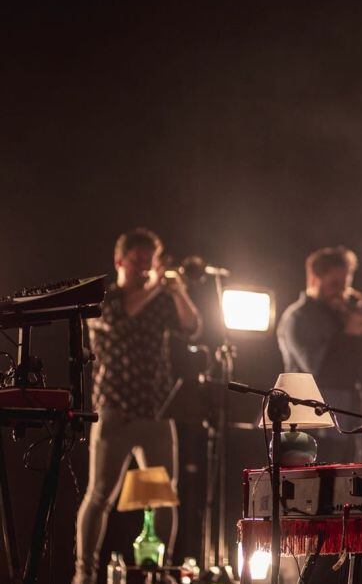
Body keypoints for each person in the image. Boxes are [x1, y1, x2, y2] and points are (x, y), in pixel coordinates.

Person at [74, 228, 200, 584]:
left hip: (156, 411)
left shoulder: (160, 297)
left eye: (150, 262)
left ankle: (159, 571)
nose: (146, 268)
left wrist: (178, 292)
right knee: (101, 494)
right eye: (139, 261)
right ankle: (84, 573)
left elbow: (193, 327)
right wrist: (158, 286)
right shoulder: (104, 298)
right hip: (115, 410)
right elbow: (122, 321)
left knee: (162, 495)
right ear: (119, 261)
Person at [277, 245, 362, 463]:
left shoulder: (340, 316)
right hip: (311, 427)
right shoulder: (298, 317)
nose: (341, 292)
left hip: (347, 421)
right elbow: (316, 367)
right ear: (314, 278)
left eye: (345, 285)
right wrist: (349, 334)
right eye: (334, 284)